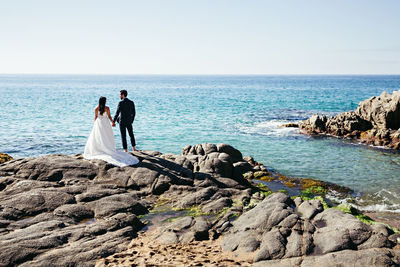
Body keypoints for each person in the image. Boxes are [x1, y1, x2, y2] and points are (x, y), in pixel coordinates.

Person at [83, 96, 139, 167]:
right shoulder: (107, 108)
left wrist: (95, 125)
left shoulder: (96, 108)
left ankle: (100, 148)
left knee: (99, 137)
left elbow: (95, 117)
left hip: (99, 124)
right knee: (107, 136)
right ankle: (109, 148)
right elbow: (109, 117)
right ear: (104, 101)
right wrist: (113, 122)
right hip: (106, 124)